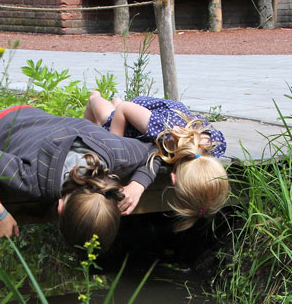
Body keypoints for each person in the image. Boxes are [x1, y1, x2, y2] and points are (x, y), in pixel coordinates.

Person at [0, 103, 159, 250]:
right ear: (58, 207)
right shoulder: (34, 179)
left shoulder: (116, 153)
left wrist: (138, 184)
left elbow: (153, 151)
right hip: (0, 127)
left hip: (31, 118)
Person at [83, 91, 229, 230]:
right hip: (137, 113)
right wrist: (117, 149)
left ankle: (114, 102)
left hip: (150, 119)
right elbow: (124, 109)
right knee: (106, 117)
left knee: (117, 112)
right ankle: (94, 98)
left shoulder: (213, 146)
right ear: (173, 179)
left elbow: (216, 137)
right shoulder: (162, 130)